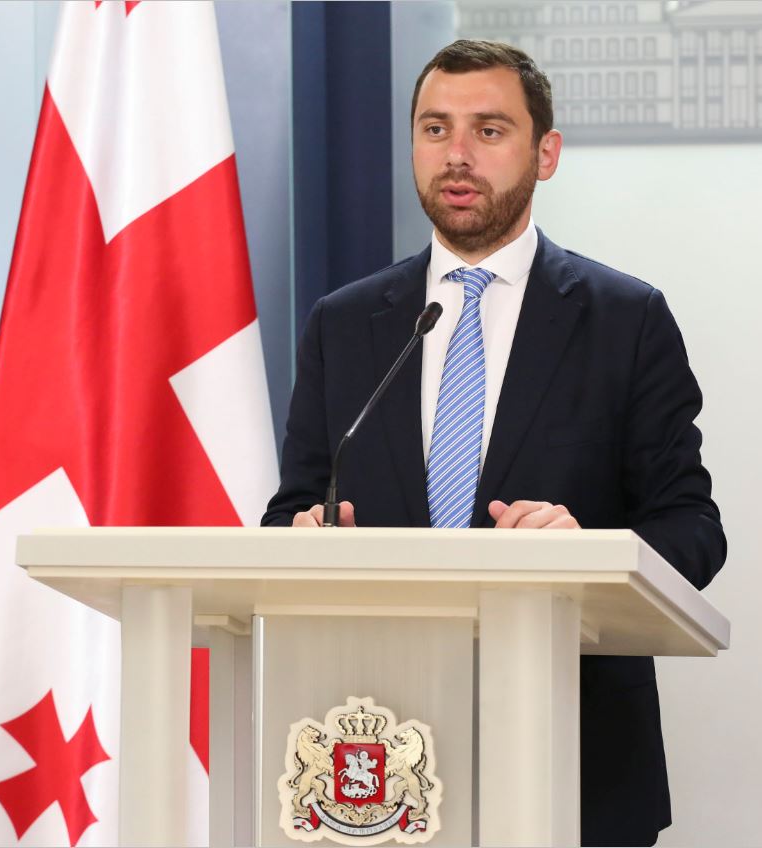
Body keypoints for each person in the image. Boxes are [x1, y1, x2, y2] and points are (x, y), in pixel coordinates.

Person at [262, 39, 726, 846]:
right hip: (375, 757)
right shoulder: (346, 324)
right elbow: (291, 512)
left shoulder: (625, 320)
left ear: (545, 153)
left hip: (572, 755)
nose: (457, 155)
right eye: (434, 129)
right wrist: (307, 532)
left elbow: (692, 529)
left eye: (489, 129)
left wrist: (590, 550)